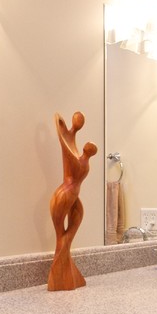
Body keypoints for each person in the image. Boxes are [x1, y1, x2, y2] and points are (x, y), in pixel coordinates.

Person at [48, 112, 96, 291]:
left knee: (64, 232)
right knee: (62, 231)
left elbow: (66, 150)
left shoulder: (81, 163)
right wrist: (67, 132)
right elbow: (67, 148)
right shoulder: (80, 157)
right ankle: (63, 273)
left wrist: (62, 134)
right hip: (67, 194)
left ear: (88, 150)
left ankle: (60, 274)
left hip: (67, 195)